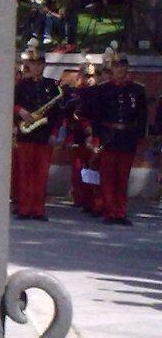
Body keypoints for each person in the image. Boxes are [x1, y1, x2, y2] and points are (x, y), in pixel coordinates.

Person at [86, 48, 146, 226]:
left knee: (122, 177)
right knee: (108, 177)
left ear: (127, 68)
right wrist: (96, 138)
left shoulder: (137, 90)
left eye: (122, 66)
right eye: (116, 66)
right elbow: (97, 116)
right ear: (111, 68)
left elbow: (142, 117)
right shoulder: (103, 90)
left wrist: (140, 138)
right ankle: (110, 211)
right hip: (109, 137)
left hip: (127, 137)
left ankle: (120, 212)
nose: (119, 69)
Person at [13, 43, 62, 220]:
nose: (36, 67)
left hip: (44, 135)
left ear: (44, 65)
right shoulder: (21, 85)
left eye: (39, 63)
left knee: (41, 175)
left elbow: (58, 114)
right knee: (25, 173)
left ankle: (38, 209)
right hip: (26, 134)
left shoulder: (52, 86)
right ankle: (24, 208)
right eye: (33, 64)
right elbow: (11, 103)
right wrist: (20, 111)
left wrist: (54, 133)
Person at [64, 57, 102, 215]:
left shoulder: (101, 93)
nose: (89, 79)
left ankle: (94, 201)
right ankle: (80, 197)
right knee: (78, 169)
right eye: (86, 76)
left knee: (95, 169)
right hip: (78, 135)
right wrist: (69, 137)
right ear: (81, 75)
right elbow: (69, 117)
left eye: (92, 76)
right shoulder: (75, 94)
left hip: (96, 136)